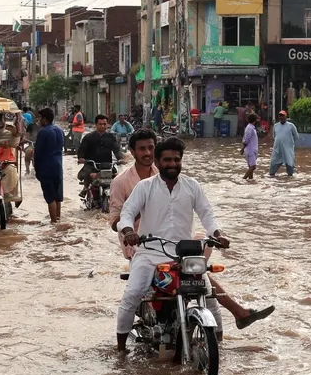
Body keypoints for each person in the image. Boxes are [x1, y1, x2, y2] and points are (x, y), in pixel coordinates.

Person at [110, 129, 274, 337]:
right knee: (132, 295)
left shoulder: (192, 185)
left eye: (176, 160)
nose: (172, 164)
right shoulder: (143, 186)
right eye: (167, 160)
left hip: (183, 254)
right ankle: (121, 348)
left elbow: (207, 214)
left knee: (208, 294)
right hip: (148, 253)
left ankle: (218, 343)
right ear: (158, 163)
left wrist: (217, 233)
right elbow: (126, 213)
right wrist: (127, 230)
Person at [33, 107, 66, 223]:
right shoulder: (60, 130)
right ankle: (58, 219)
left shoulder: (43, 132)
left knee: (50, 197)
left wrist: (36, 169)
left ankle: (53, 223)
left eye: (40, 118)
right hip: (58, 166)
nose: (38, 120)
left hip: (46, 167)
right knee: (58, 196)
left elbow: (37, 153)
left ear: (45, 119)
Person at [76, 113, 121, 185]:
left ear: (107, 124)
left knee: (117, 177)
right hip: (92, 165)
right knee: (87, 174)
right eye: (100, 124)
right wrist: (81, 158)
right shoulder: (88, 137)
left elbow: (116, 149)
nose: (103, 126)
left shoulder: (111, 137)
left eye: (104, 124)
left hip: (107, 165)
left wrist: (121, 158)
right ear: (96, 124)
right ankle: (86, 188)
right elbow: (82, 149)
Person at [268, 110, 298, 177]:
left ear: (286, 117)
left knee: (289, 166)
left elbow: (296, 136)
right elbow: (274, 136)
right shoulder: (275, 126)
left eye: (282, 116)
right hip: (277, 149)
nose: (281, 117)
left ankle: (290, 178)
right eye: (280, 116)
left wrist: (289, 143)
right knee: (273, 165)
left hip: (287, 149)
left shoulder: (291, 126)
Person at [241, 112, 259, 180]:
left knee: (250, 167)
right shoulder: (250, 128)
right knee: (253, 167)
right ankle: (243, 179)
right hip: (250, 150)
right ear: (255, 120)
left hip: (251, 150)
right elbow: (246, 140)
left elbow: (245, 139)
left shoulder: (250, 127)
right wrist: (243, 149)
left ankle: (250, 181)